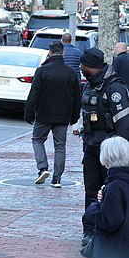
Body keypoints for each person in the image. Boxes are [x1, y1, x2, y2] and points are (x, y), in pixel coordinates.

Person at [78, 48, 129, 249]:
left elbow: (124, 125)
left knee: (110, 191)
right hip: (91, 149)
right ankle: (90, 231)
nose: (80, 68)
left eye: (82, 65)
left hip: (110, 153)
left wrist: (117, 155)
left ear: (89, 66)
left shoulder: (114, 89)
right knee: (91, 190)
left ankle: (110, 230)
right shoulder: (89, 86)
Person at [24, 42, 81, 188]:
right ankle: (57, 179)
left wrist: (29, 112)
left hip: (44, 114)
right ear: (63, 54)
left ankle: (43, 168)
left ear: (49, 53)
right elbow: (77, 97)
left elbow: (34, 94)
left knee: (37, 139)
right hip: (63, 116)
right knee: (60, 146)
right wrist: (74, 117)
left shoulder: (42, 71)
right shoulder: (71, 73)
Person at [84, 136, 129, 258]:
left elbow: (108, 221)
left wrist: (93, 208)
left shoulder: (116, 186)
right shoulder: (120, 183)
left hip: (113, 251)